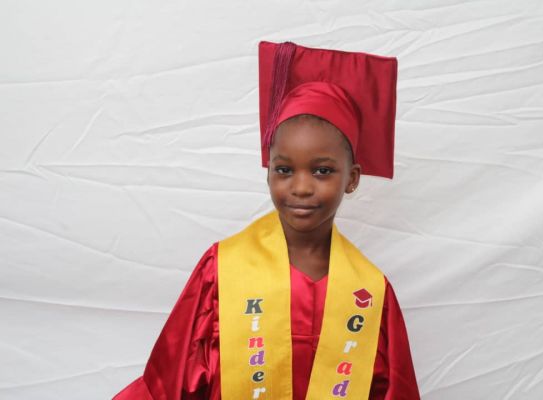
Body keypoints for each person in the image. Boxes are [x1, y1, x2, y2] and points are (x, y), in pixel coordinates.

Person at [113, 41, 420, 400]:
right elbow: (168, 385)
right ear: (269, 171)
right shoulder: (223, 269)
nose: (301, 187)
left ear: (352, 178)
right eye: (284, 170)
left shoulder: (368, 292)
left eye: (322, 171)